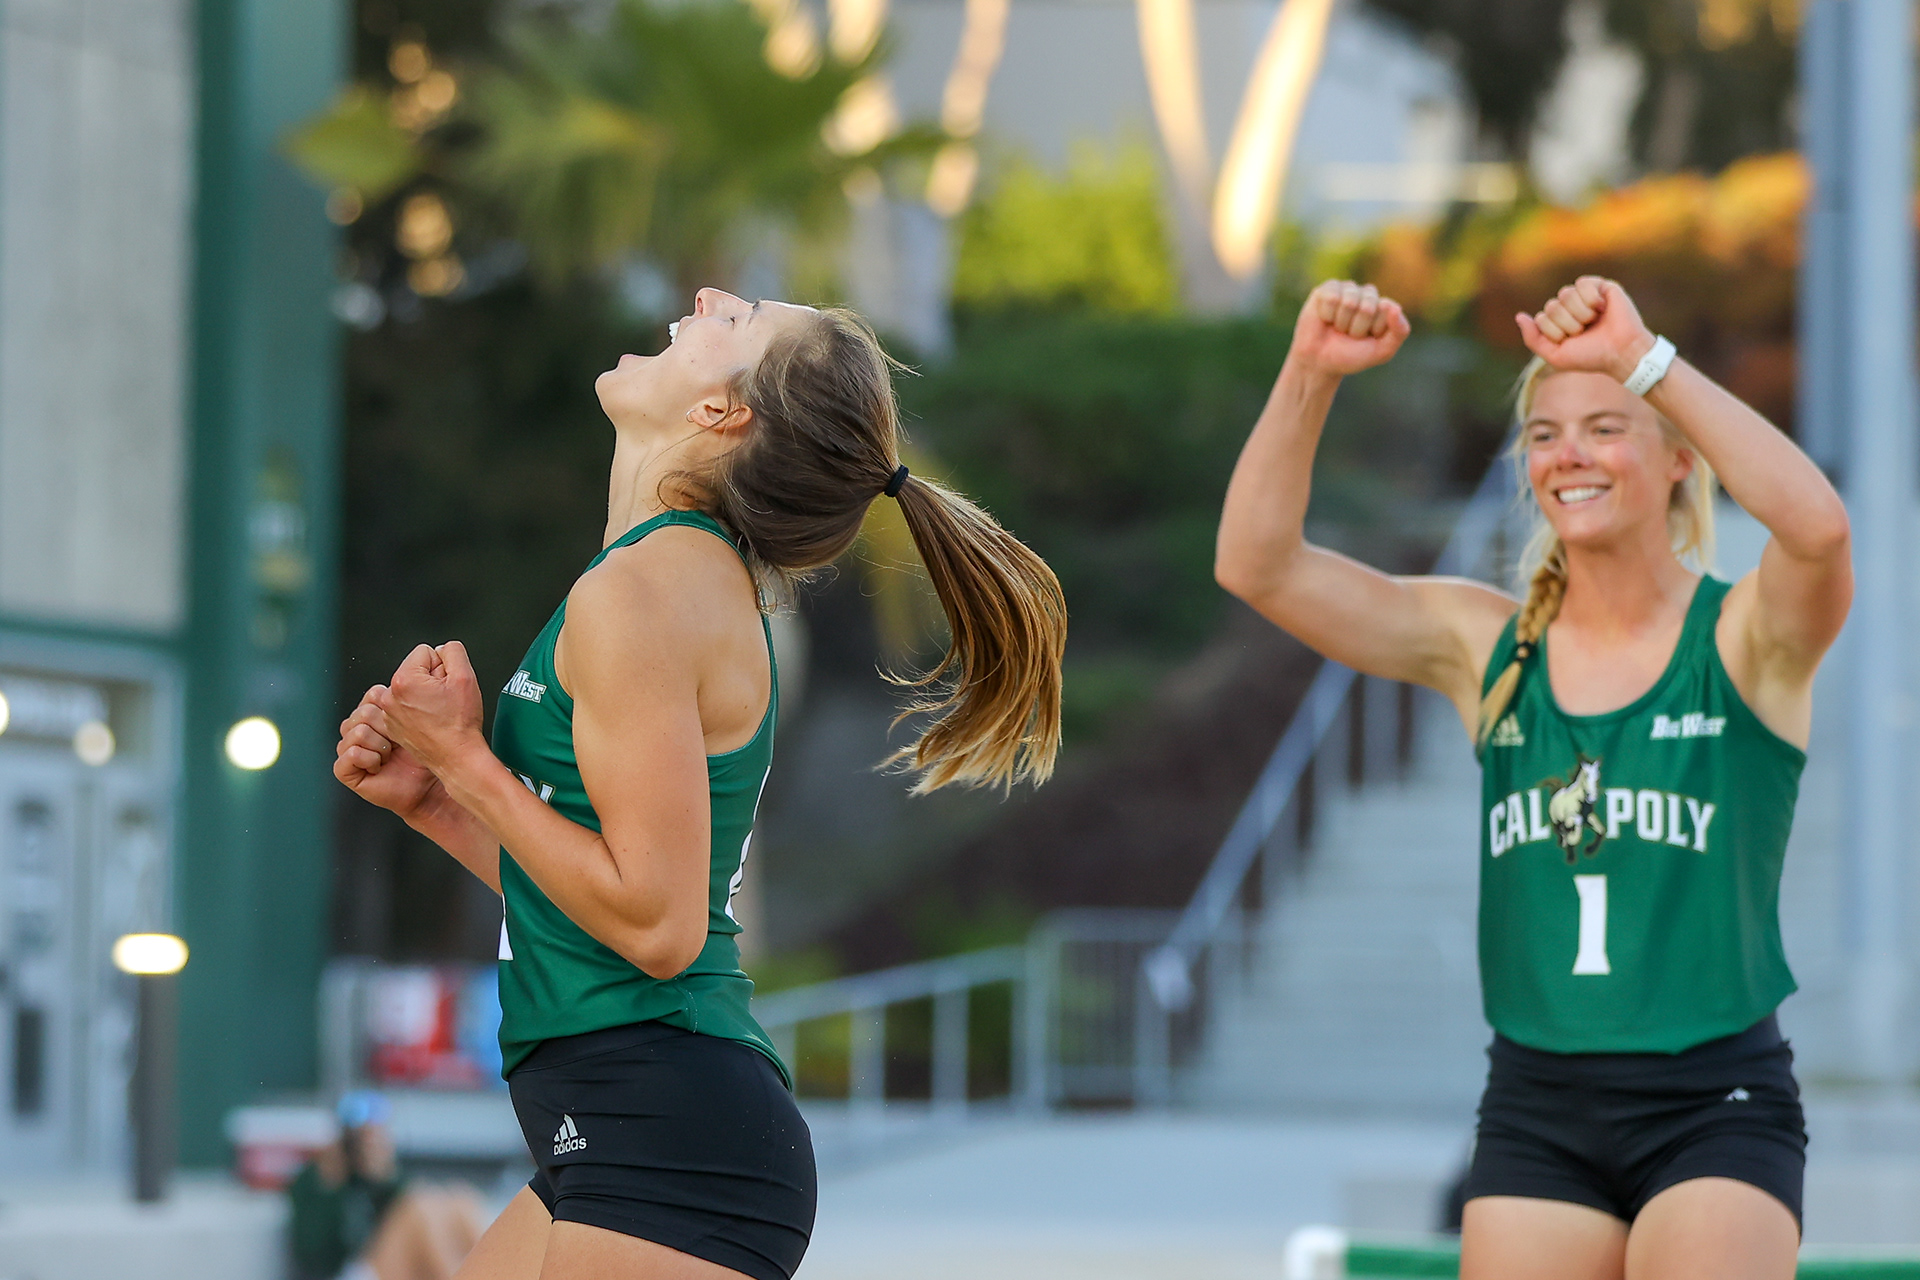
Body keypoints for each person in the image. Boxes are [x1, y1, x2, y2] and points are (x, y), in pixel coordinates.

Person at [333, 288, 1066, 1280]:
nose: (710, 295)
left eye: (743, 315)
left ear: (723, 412)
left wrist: (466, 758)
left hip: (667, 1142)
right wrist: (440, 802)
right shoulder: (651, 577)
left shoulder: (642, 591)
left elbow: (659, 923)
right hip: (625, 1129)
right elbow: (598, 894)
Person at [1215, 275, 1850, 1279]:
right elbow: (1258, 564)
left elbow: (1817, 529)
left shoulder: (1740, 639)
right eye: (1547, 435)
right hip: (1538, 1108)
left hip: (1713, 1105)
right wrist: (1309, 374)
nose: (1570, 456)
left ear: (1679, 460)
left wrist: (1650, 360)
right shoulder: (1491, 648)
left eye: (1606, 426)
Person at [288, 1091, 486, 1280]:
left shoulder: (379, 1178)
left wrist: (384, 1177)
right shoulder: (315, 1179)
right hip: (344, 1272)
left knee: (461, 1198)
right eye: (358, 1136)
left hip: (383, 1265)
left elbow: (399, 1210)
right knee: (420, 1207)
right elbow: (313, 1256)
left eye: (375, 1134)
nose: (367, 1143)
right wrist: (332, 1184)